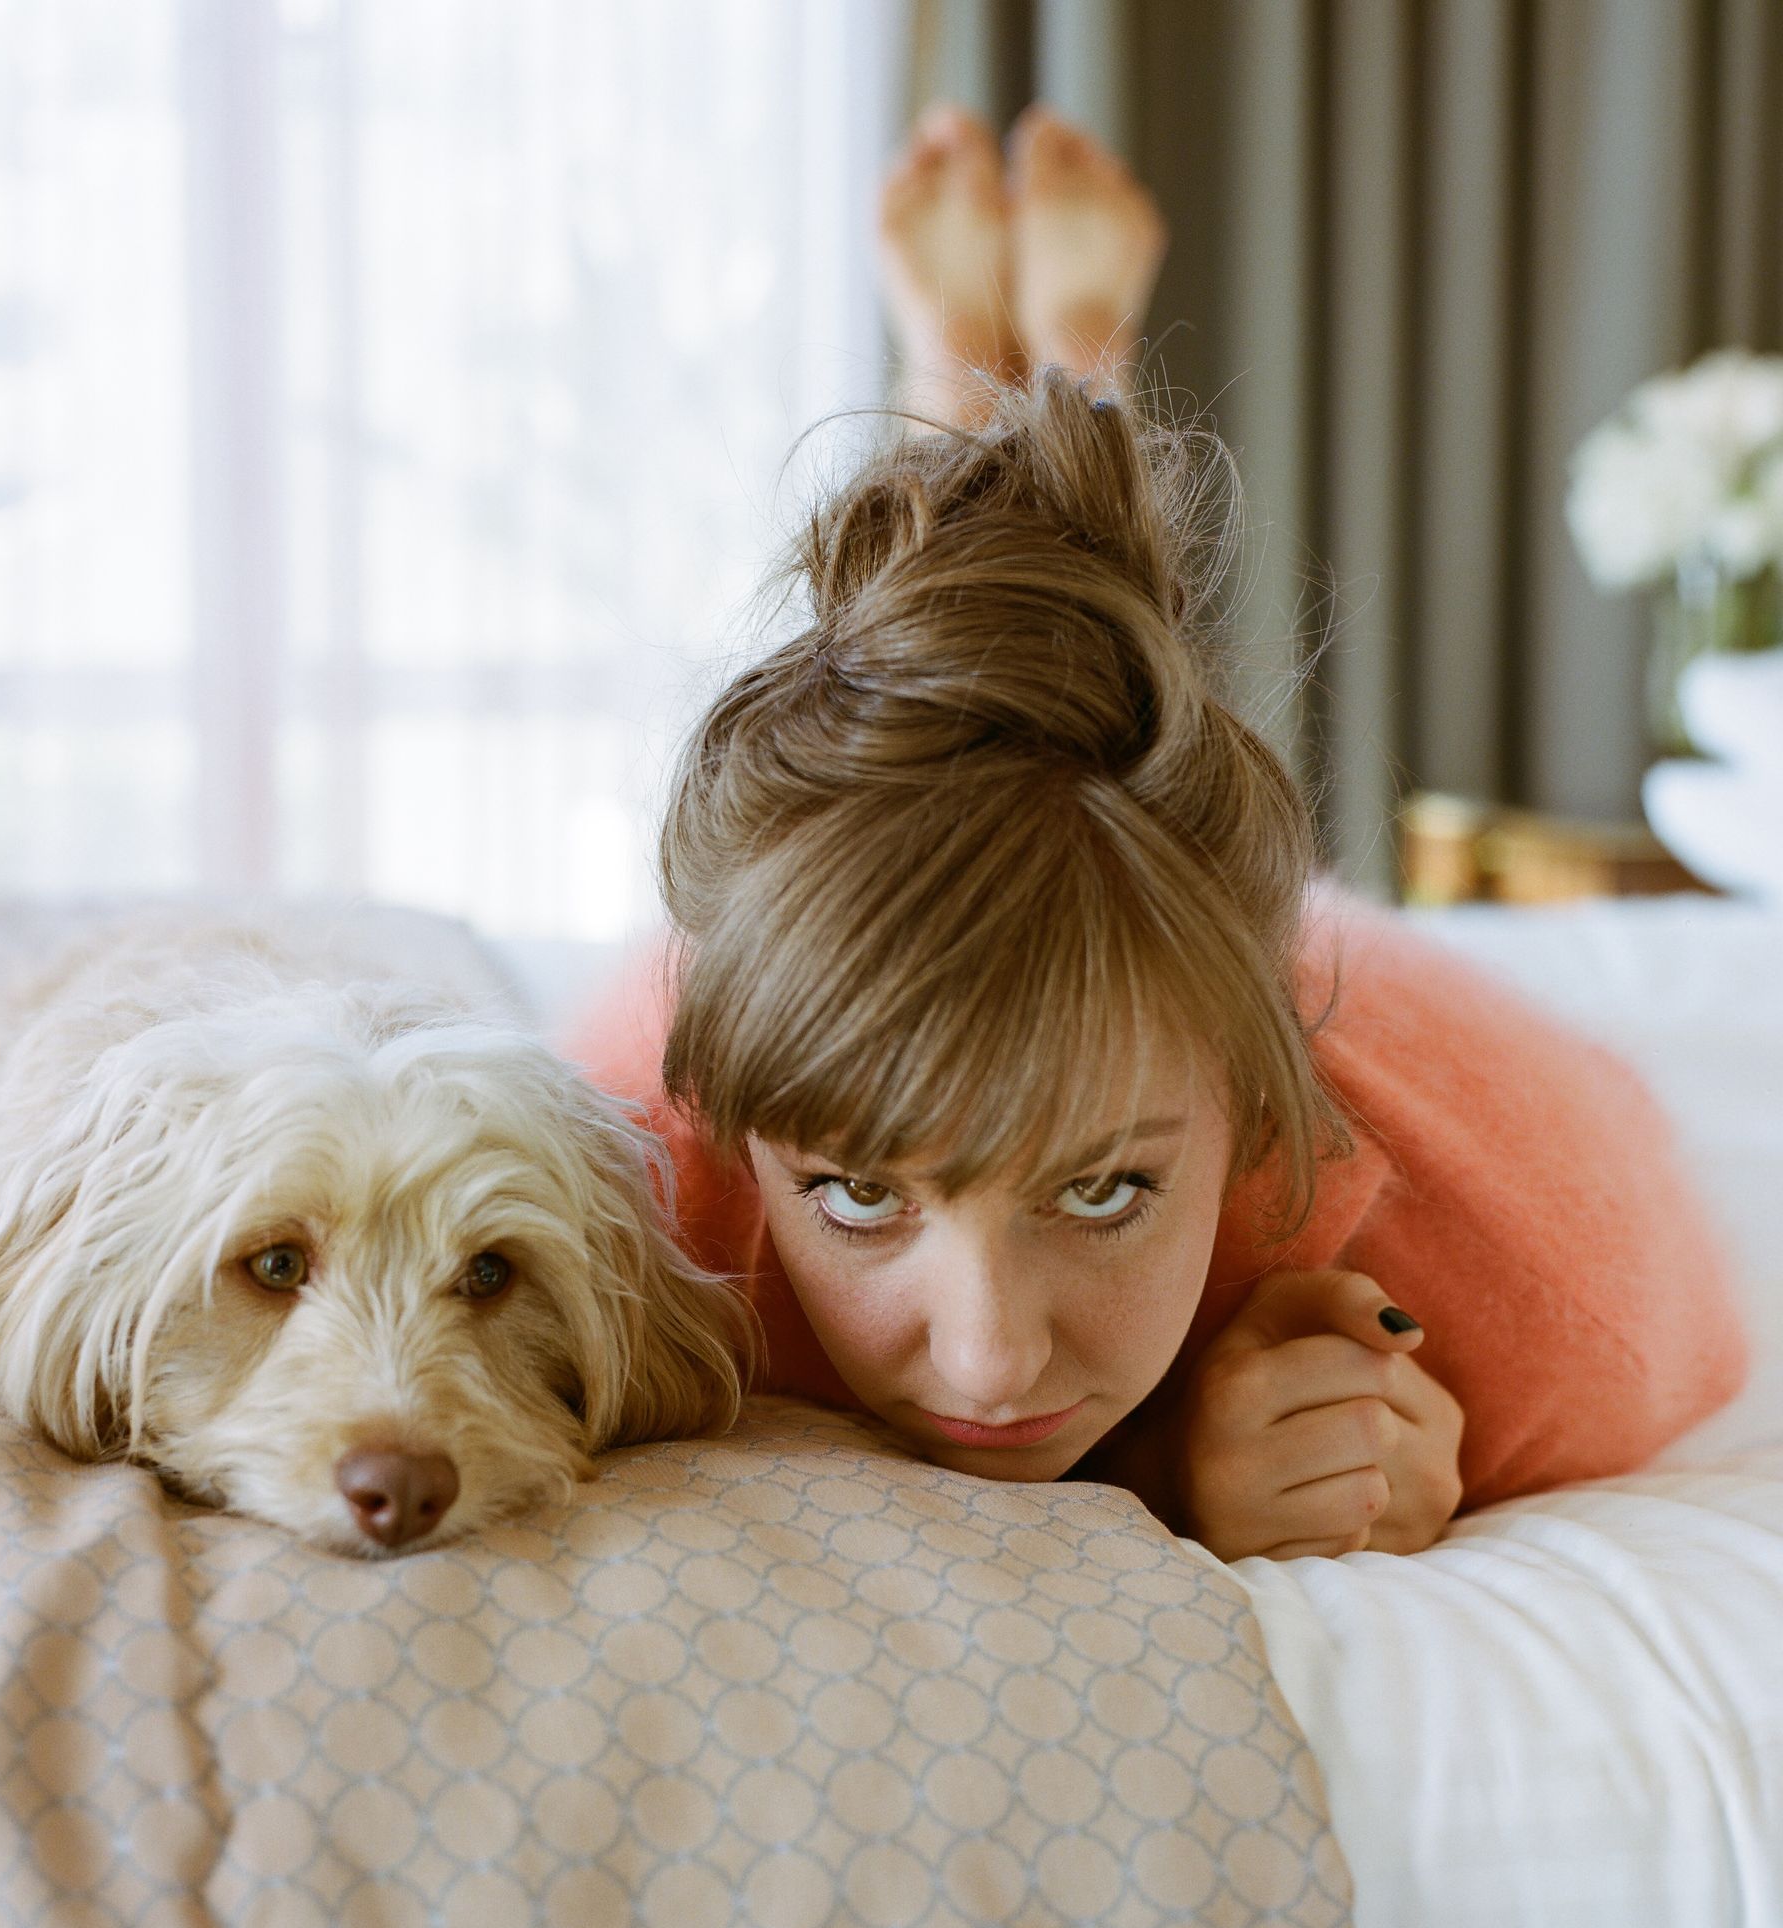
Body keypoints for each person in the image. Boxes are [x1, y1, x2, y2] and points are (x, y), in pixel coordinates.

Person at [568, 106, 1749, 1563]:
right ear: (742, 1133)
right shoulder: (639, 1150)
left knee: (1114, 802)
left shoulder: (1542, 1268)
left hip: (1279, 970)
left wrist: (1382, 1460)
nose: (990, 1362)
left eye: (1102, 1186)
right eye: (859, 1191)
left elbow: (1690, 1325)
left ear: (1255, 1112)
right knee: (924, 718)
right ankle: (1010, 406)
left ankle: (1025, 403)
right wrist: (1153, 1460)